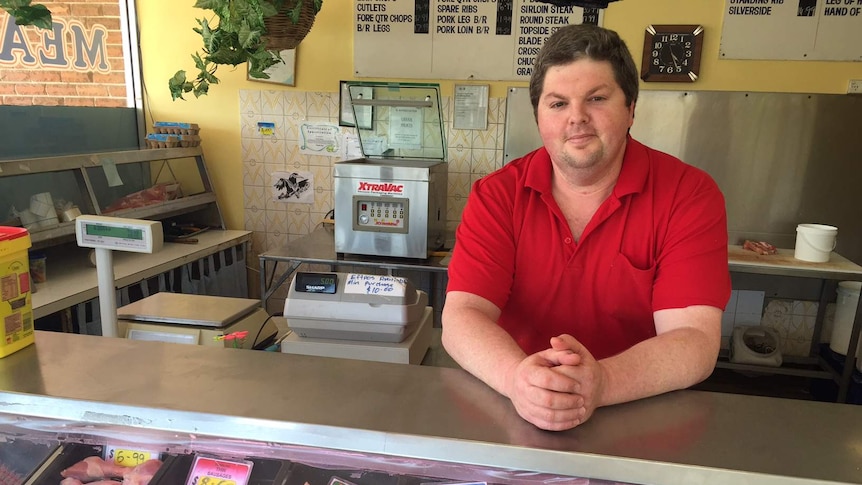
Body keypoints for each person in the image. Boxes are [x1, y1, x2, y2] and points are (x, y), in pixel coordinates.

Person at [442, 24, 731, 432]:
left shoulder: (689, 194)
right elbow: (462, 316)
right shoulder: (496, 195)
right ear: (539, 116)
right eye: (558, 103)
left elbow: (694, 340)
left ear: (631, 108)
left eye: (596, 98)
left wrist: (603, 382)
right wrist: (517, 379)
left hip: (642, 421)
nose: (576, 117)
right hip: (512, 415)